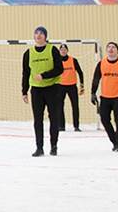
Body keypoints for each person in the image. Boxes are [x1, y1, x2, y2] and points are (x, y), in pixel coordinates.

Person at [21, 26, 63, 157]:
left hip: (52, 88)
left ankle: (54, 146)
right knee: (37, 119)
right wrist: (24, 91)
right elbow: (26, 73)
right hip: (36, 90)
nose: (38, 35)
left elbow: (59, 69)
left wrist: (44, 76)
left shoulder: (53, 50)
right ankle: (39, 147)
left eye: (41, 33)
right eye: (36, 33)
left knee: (54, 118)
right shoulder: (28, 53)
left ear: (45, 36)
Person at [58, 44, 85, 131]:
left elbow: (80, 72)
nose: (63, 50)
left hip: (72, 86)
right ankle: (61, 126)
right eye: (61, 49)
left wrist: (82, 85)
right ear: (59, 51)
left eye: (64, 49)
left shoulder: (73, 60)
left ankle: (76, 126)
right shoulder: (57, 61)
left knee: (75, 106)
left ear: (67, 50)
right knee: (59, 106)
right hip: (60, 86)